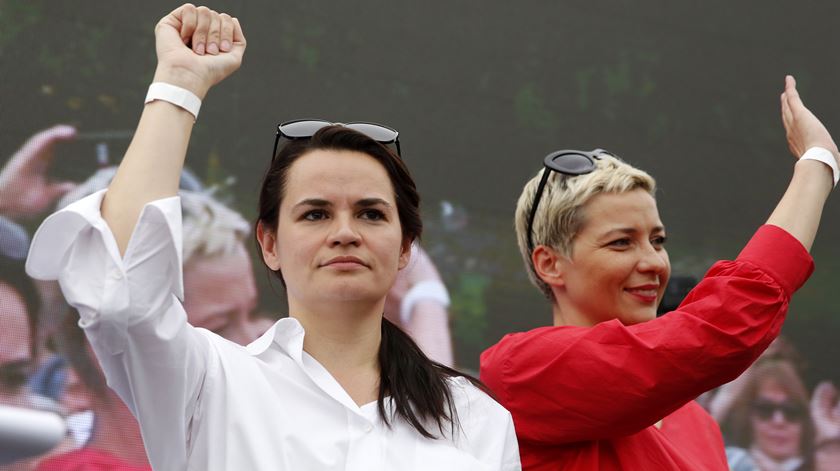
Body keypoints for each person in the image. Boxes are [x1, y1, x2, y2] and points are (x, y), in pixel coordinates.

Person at [25, 4, 519, 470]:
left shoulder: (475, 417)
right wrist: (179, 85)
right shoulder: (210, 384)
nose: (345, 233)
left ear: (407, 246)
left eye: (370, 214)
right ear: (269, 244)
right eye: (315, 214)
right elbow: (122, 294)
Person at [480, 75, 837, 470]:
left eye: (658, 241)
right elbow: (723, 323)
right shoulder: (522, 371)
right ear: (549, 263)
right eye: (621, 242)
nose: (653, 262)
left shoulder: (698, 423)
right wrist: (817, 165)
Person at [721, 360, 815, 471]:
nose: (779, 421)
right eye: (766, 409)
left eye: (791, 411)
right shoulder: (728, 463)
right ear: (748, 418)